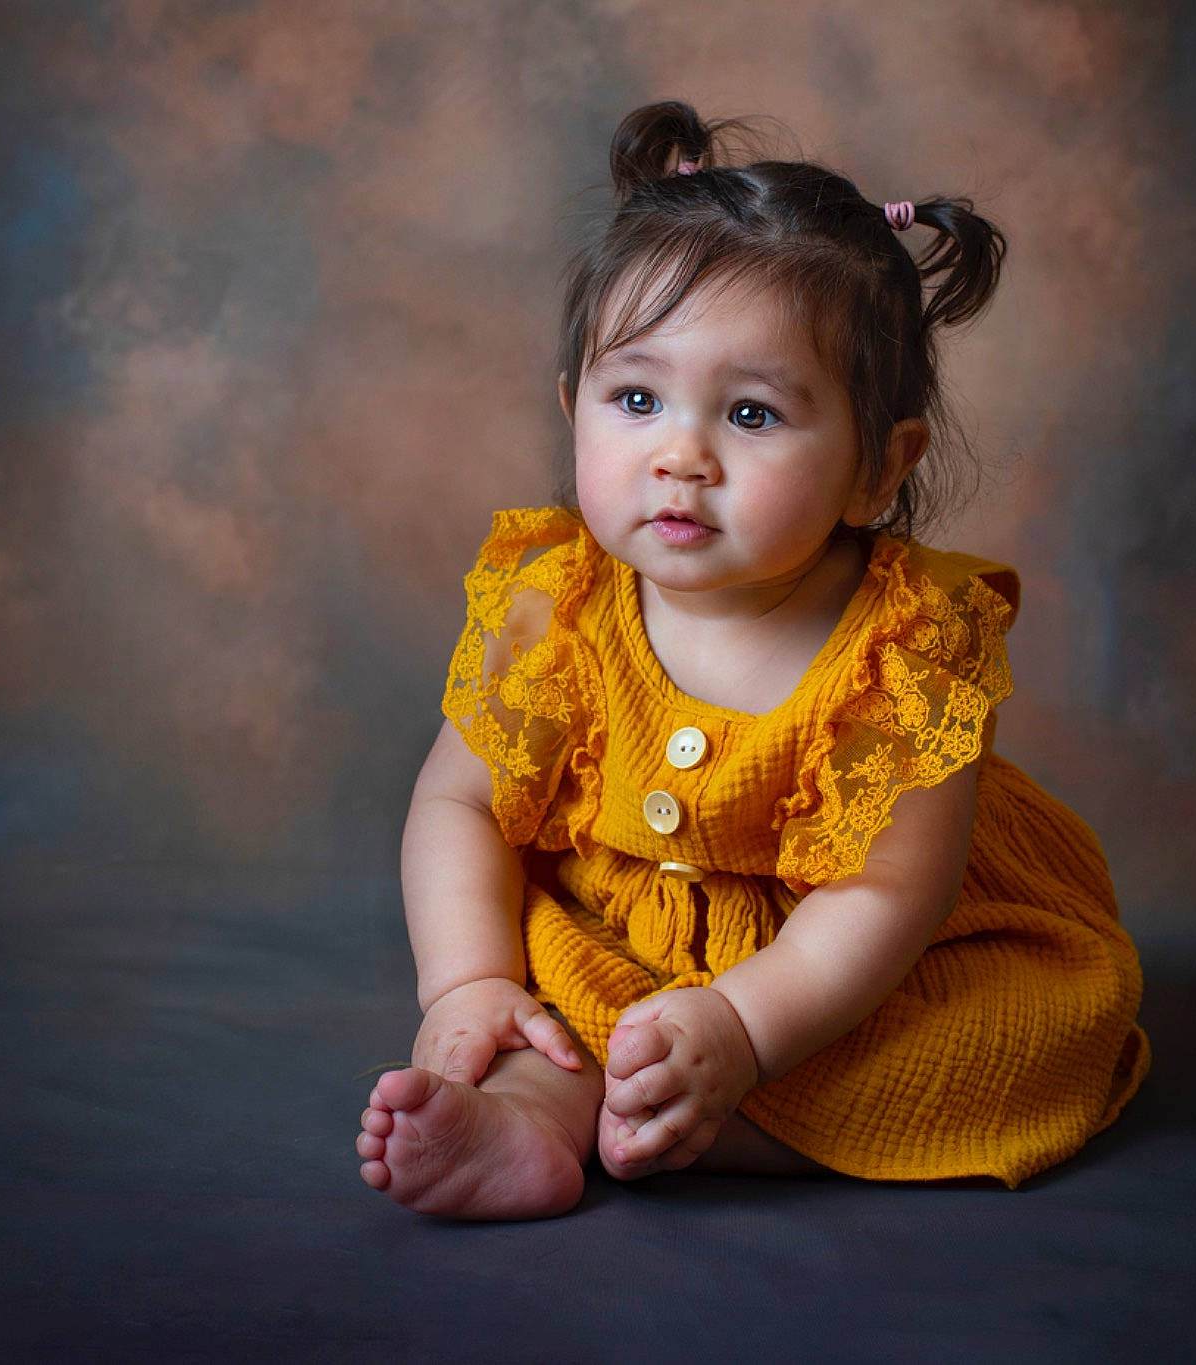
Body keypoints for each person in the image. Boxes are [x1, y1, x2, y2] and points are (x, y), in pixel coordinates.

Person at [354, 101, 1149, 1219]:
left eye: (751, 414)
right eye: (634, 399)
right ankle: (538, 1113)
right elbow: (459, 805)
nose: (680, 455)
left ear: (878, 467)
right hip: (622, 940)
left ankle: (697, 1124)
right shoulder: (557, 606)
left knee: (1014, 1035)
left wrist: (741, 1026)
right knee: (561, 991)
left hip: (858, 967)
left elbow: (885, 896)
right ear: (572, 407)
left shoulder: (903, 651)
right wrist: (469, 983)